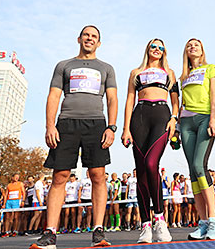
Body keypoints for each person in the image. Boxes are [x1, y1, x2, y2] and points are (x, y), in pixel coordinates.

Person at [30, 25, 117, 249]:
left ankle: (98, 232)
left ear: (99, 43)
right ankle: (49, 233)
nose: (90, 38)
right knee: (60, 176)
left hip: (96, 123)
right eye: (86, 35)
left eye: (94, 36)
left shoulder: (106, 68)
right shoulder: (64, 65)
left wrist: (112, 127)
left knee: (98, 175)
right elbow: (54, 95)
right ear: (79, 39)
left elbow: (112, 99)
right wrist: (50, 125)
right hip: (66, 123)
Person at [122, 37, 179, 243]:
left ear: (164, 51)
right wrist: (126, 128)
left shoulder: (170, 73)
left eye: (160, 47)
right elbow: (130, 99)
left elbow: (175, 101)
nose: (156, 49)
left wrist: (174, 119)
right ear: (148, 49)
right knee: (141, 170)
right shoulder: (135, 73)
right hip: (139, 117)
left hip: (162, 116)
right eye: (153, 46)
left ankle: (159, 218)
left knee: (151, 163)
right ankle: (145, 224)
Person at [179, 37, 215, 240]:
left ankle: (214, 219)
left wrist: (213, 118)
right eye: (189, 45)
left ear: (202, 50)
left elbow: (214, 97)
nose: (192, 47)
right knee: (192, 172)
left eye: (196, 44)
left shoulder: (211, 68)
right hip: (186, 123)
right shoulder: (183, 76)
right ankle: (203, 222)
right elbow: (182, 102)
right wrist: (177, 127)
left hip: (205, 118)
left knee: (199, 165)